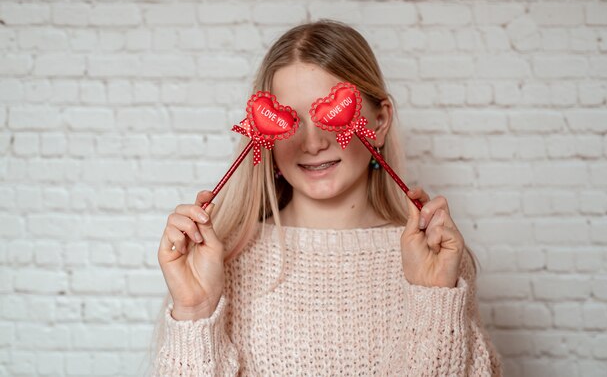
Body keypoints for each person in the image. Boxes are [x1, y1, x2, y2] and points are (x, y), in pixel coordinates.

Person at [153, 20, 501, 376]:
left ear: (379, 122)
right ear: (264, 131)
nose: (313, 143)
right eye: (290, 119)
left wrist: (434, 300)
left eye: (330, 117)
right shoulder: (221, 258)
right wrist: (195, 311)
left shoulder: (435, 259)